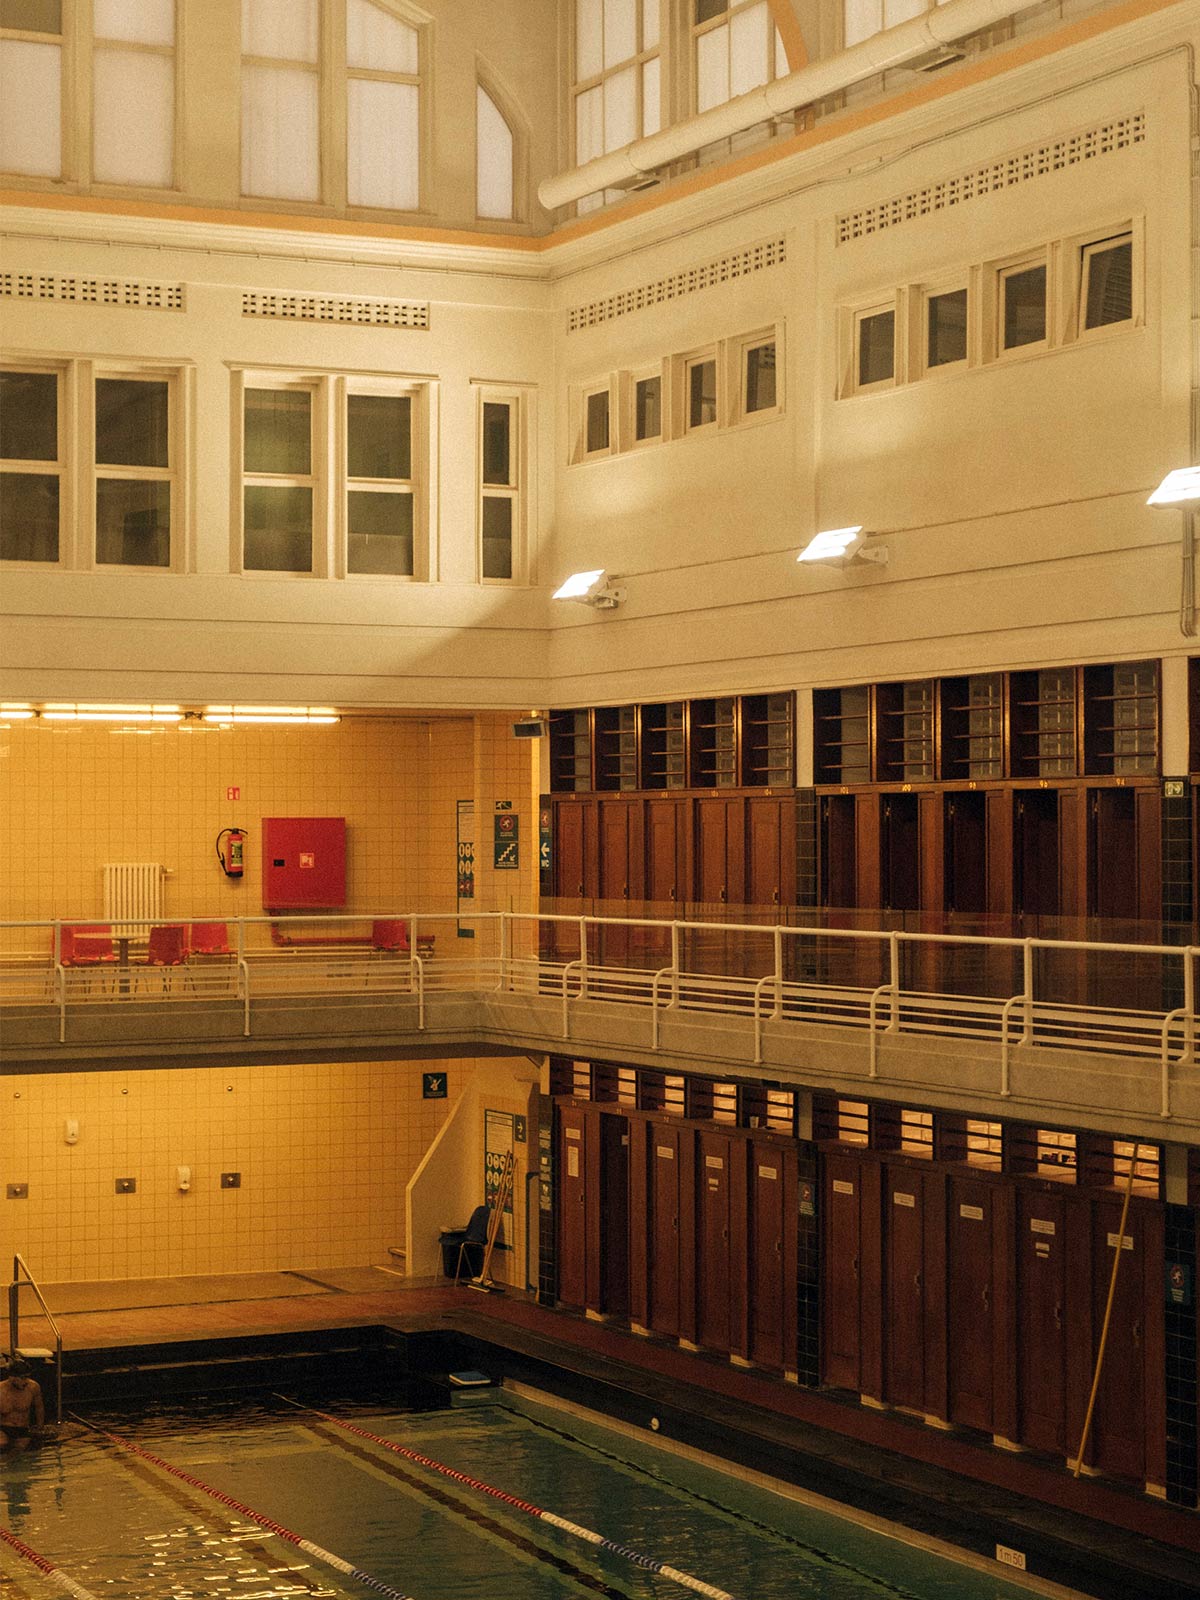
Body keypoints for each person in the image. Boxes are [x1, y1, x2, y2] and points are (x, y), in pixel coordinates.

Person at [1, 1358, 45, 1454]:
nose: (26, 1381)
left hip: (22, 1428)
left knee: (19, 1449)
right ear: (12, 1377)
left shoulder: (33, 1387)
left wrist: (40, 1426)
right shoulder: (1, 1390)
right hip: (3, 1427)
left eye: (27, 1377)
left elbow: (39, 1407)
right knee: (2, 1444)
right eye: (22, 1378)